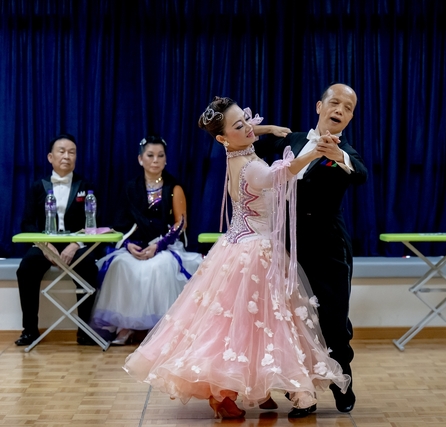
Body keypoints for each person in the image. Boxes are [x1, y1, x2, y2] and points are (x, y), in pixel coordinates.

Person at [122, 97, 350, 419]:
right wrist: (315, 153)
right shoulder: (252, 167)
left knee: (247, 323)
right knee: (264, 323)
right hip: (255, 250)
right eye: (240, 126)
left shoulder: (236, 154)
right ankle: (248, 391)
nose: (248, 128)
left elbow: (249, 132)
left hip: (238, 245)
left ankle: (255, 386)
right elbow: (283, 173)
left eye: (246, 120)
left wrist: (267, 128)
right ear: (223, 138)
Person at [253, 83, 367, 413]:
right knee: (291, 320)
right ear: (320, 106)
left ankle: (342, 380)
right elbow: (241, 136)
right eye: (335, 103)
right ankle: (301, 392)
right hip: (287, 245)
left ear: (350, 117)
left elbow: (360, 174)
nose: (340, 110)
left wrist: (339, 156)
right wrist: (269, 129)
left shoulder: (346, 152)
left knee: (333, 320)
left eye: (347, 108)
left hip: (329, 246)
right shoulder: (293, 140)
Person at [91, 135, 203, 345]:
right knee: (120, 264)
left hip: (165, 246)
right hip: (136, 246)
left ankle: (159, 330)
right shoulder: (130, 188)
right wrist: (128, 245)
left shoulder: (174, 188)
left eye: (160, 156)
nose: (155, 160)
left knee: (160, 266)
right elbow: (120, 223)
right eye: (150, 155)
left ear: (166, 159)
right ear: (140, 159)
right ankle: (125, 327)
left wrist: (158, 246)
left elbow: (181, 224)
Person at [15, 133, 100, 346]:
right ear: (50, 157)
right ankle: (30, 330)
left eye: (72, 152)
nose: (66, 156)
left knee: (89, 266)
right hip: (45, 244)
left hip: (76, 243)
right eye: (61, 151)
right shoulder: (38, 186)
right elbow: (27, 223)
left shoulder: (86, 185)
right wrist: (45, 246)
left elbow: (95, 223)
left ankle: (84, 330)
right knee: (26, 268)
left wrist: (75, 245)